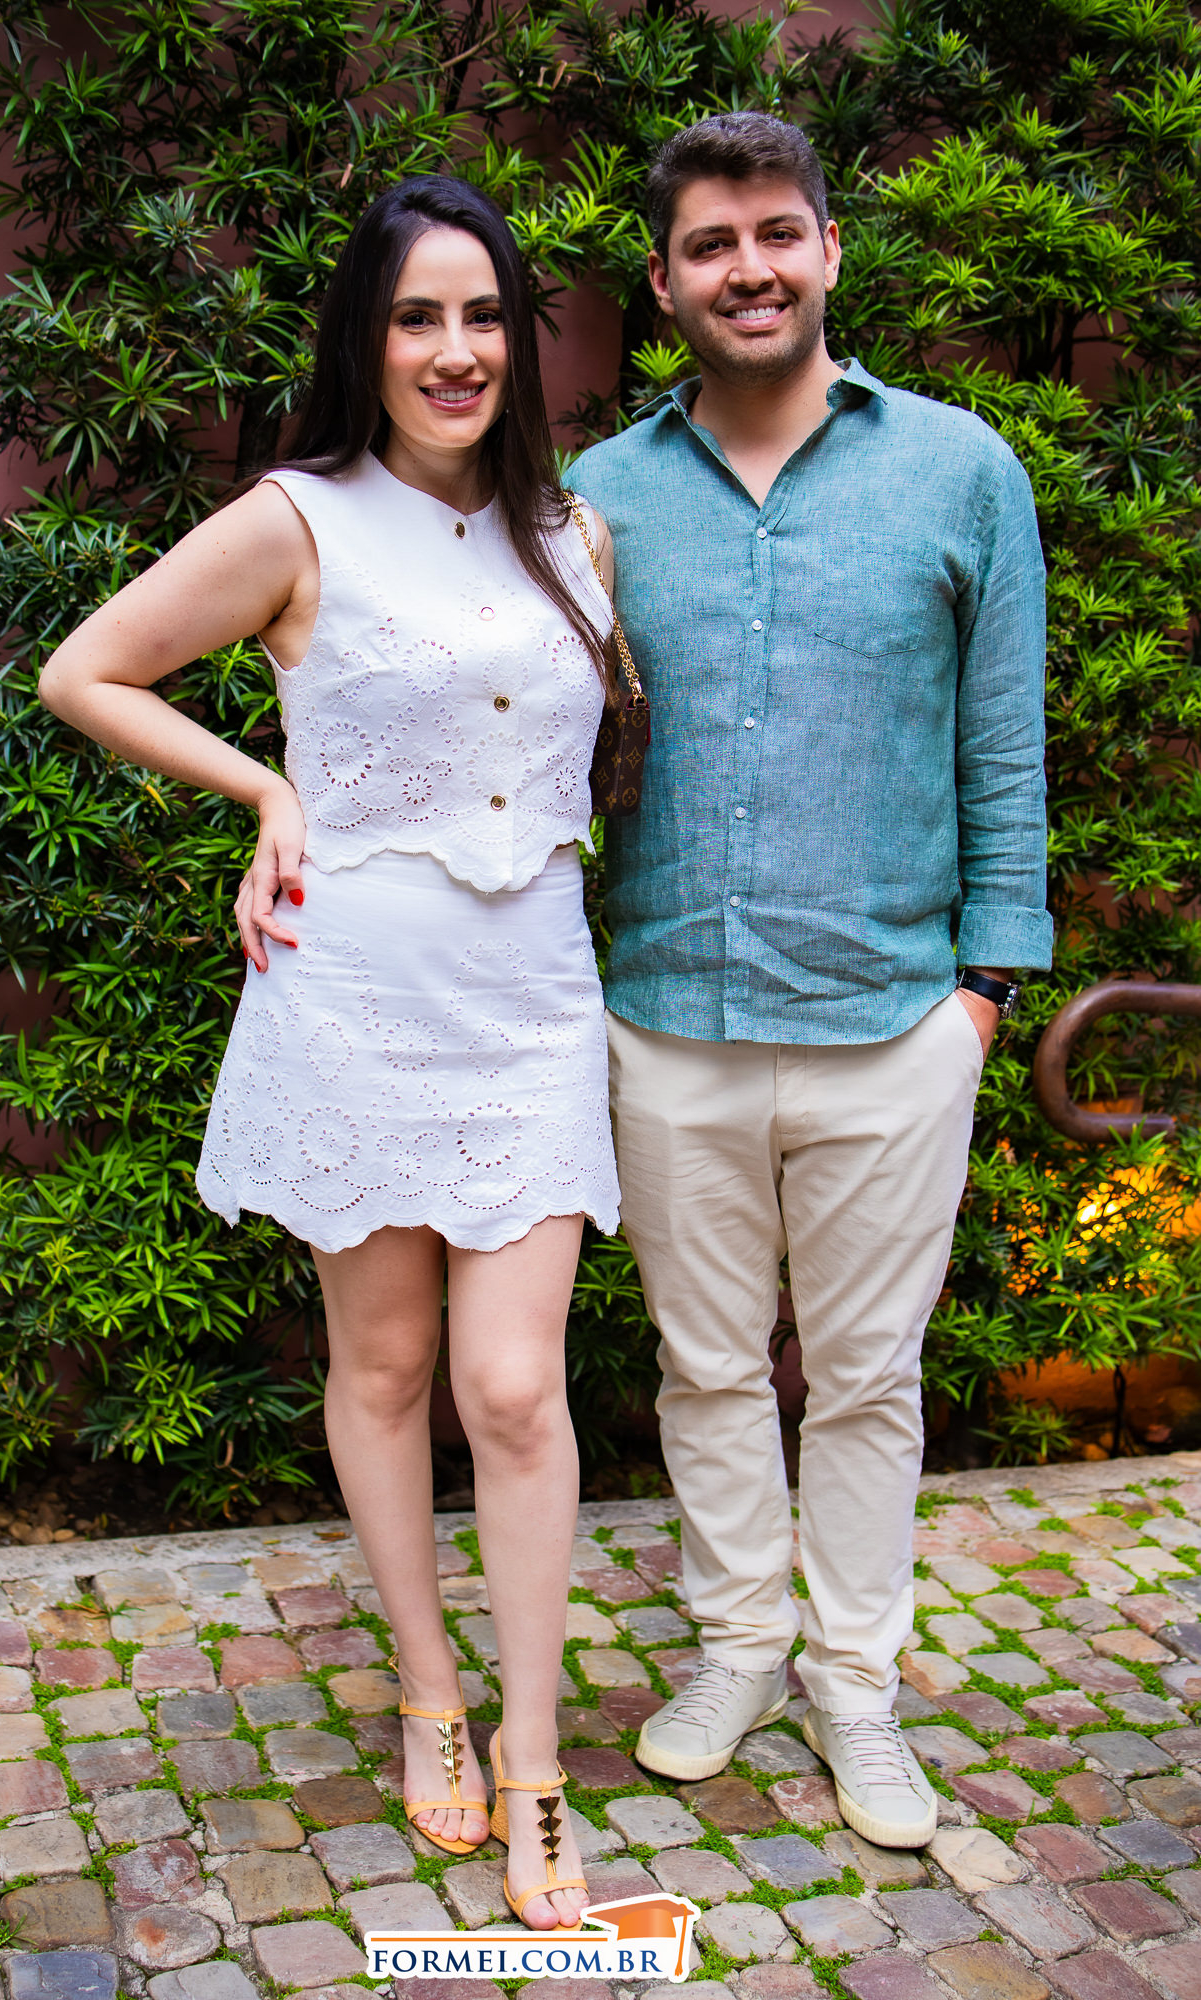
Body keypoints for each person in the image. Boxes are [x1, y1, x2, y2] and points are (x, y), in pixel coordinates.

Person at [38, 175, 622, 1928]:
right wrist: (265, 791)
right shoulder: (298, 519)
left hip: (532, 1000)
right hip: (354, 992)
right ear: (363, 338)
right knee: (380, 1368)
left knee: (510, 1389)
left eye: (483, 314)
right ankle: (428, 1688)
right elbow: (88, 672)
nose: (453, 350)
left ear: (519, 337)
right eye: (415, 316)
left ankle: (533, 1757)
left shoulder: (578, 535)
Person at [571, 111, 1052, 1848]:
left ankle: (855, 1683)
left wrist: (982, 994)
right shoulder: (598, 494)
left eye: (776, 232)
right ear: (662, 282)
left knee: (862, 1380)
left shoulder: (961, 472)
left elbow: (1004, 749)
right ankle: (734, 1650)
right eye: (709, 245)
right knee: (704, 1371)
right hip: (666, 1016)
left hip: (890, 1019)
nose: (747, 268)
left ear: (829, 249)